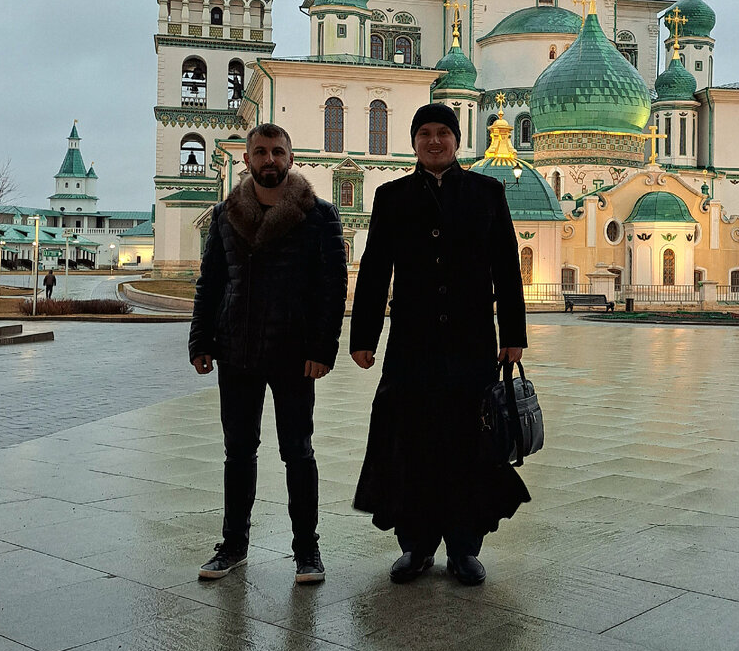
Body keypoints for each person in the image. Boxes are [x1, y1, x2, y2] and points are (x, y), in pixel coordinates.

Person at [350, 103, 528, 587]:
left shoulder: (487, 193)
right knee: (411, 442)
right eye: (425, 133)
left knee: (469, 443)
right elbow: (374, 270)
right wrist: (364, 337)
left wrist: (513, 335)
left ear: (456, 139)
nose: (434, 141)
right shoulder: (392, 197)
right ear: (414, 142)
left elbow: (507, 269)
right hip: (412, 344)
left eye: (443, 133)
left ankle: (465, 549)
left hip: (471, 344)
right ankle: (417, 546)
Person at [189, 124, 347, 584]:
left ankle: (307, 551)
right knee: (238, 452)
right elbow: (210, 283)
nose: (270, 160)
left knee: (298, 451)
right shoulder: (224, 215)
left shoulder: (319, 215)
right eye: (261, 152)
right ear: (247, 160)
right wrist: (200, 340)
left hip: (295, 354)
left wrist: (322, 348)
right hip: (236, 349)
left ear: (291, 159)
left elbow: (332, 290)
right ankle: (233, 545)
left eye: (278, 152)